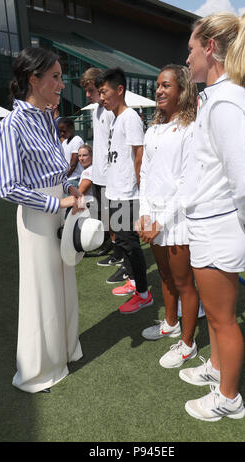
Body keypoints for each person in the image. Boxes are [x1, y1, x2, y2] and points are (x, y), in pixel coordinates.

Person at [177, 12, 245, 421]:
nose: (188, 57)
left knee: (222, 319)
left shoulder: (226, 101)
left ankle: (228, 398)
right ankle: (215, 368)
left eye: (192, 49)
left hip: (219, 226)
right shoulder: (217, 97)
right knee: (215, 316)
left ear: (210, 48)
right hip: (209, 224)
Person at [0, 47, 85, 393]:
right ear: (34, 79)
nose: (62, 84)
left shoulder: (48, 118)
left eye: (62, 76)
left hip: (59, 208)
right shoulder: (10, 125)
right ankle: (40, 368)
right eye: (56, 77)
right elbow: (8, 187)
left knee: (64, 282)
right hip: (36, 217)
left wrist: (71, 192)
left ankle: (64, 351)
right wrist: (55, 202)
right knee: (42, 289)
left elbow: (57, 170)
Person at [136, 64, 200, 367]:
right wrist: (146, 215)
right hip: (154, 217)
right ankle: (170, 323)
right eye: (158, 86)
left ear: (182, 90)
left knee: (184, 281)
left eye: (166, 86)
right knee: (163, 275)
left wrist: (161, 221)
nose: (159, 91)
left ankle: (188, 343)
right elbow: (146, 174)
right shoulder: (153, 129)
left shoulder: (191, 129)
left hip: (179, 219)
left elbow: (189, 183)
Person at [95, 67, 153, 313]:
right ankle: (132, 282)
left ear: (119, 90)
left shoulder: (130, 117)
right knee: (122, 241)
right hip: (116, 190)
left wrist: (139, 189)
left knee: (131, 245)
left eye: (104, 92)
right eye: (99, 93)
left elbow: (139, 154)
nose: (101, 98)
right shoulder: (116, 118)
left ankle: (143, 293)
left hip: (128, 194)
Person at [80, 68, 117, 264]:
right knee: (103, 214)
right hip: (98, 173)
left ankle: (118, 251)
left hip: (109, 175)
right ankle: (110, 246)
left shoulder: (111, 112)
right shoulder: (96, 110)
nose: (87, 95)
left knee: (115, 216)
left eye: (91, 90)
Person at [58, 117, 84, 187]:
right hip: (67, 180)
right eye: (60, 131)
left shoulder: (77, 140)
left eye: (64, 131)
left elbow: (73, 164)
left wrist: (64, 177)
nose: (62, 134)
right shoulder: (64, 142)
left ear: (71, 128)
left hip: (74, 179)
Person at [78, 143, 95, 211]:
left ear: (91, 156)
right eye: (79, 156)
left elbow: (80, 193)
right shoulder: (93, 169)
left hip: (89, 207)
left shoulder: (88, 171)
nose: (81, 158)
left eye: (84, 155)